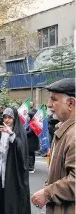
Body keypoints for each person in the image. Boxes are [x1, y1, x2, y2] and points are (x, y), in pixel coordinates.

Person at [31, 78, 75, 213]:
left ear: (71, 103)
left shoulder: (73, 135)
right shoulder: (64, 130)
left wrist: (47, 193)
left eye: (54, 99)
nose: (49, 105)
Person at [0, 108, 30, 214]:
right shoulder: (0, 131)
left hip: (12, 170)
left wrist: (11, 134)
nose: (7, 120)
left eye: (10, 118)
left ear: (14, 119)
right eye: (5, 117)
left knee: (10, 194)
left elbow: (22, 150)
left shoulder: (19, 131)